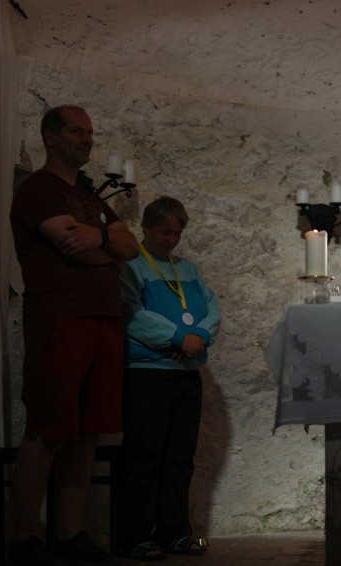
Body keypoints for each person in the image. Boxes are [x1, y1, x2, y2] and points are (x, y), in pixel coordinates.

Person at [8, 105, 140, 565]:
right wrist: (108, 250)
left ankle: (69, 535)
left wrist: (100, 239)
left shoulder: (89, 197)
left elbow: (131, 247)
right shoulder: (38, 190)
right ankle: (26, 539)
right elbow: (74, 249)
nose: (87, 140)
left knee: (87, 432)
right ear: (50, 137)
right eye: (76, 132)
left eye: (90, 133)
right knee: (47, 428)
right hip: (60, 319)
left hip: (103, 321)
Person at [119, 196, 220, 561]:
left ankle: (173, 532)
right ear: (146, 227)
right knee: (144, 456)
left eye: (177, 234)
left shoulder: (187, 268)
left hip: (186, 375)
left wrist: (201, 337)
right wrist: (178, 338)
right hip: (148, 373)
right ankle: (134, 536)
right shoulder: (130, 266)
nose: (171, 240)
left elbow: (212, 309)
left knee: (180, 456)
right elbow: (131, 314)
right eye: (165, 232)